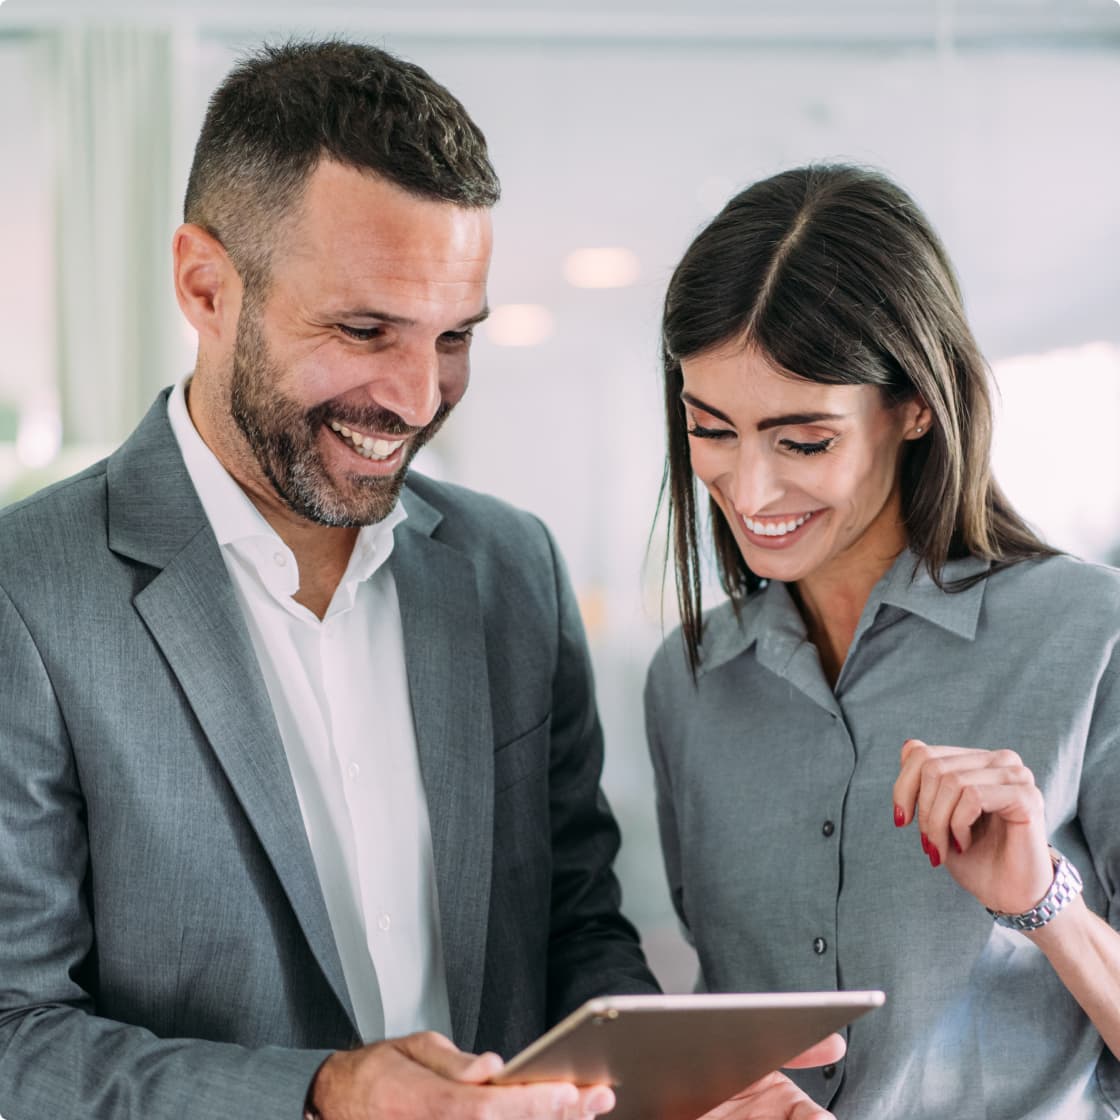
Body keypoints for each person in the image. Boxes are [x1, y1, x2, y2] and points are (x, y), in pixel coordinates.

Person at [0, 41, 840, 1120]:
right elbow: (15, 1037)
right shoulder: (30, 595)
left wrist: (661, 1090)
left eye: (454, 336)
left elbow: (574, 926)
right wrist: (323, 1094)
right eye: (364, 330)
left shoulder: (509, 570)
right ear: (206, 287)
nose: (415, 395)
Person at [644, 161, 1120, 1120]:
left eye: (803, 440)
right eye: (711, 429)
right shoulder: (689, 682)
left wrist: (1044, 902)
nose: (749, 488)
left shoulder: (1087, 635)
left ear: (915, 406)